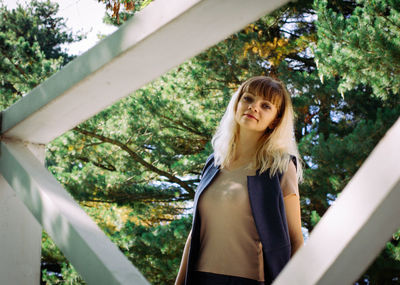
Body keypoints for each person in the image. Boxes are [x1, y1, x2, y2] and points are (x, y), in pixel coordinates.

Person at [175, 76, 304, 285]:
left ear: (275, 121)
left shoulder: (280, 166)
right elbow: (195, 233)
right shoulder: (214, 162)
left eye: (266, 105)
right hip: (200, 278)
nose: (254, 107)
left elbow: (296, 238)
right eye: (248, 99)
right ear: (237, 104)